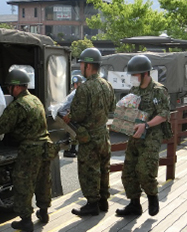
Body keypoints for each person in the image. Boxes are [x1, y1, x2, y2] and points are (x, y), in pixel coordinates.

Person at [0, 69, 55, 232]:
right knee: (43, 181)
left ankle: (26, 220)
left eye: (9, 87)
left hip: (30, 150)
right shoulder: (35, 100)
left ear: (16, 87)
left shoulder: (18, 105)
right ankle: (44, 211)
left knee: (23, 183)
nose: (7, 91)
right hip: (45, 146)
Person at [116, 55, 171, 217]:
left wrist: (146, 125)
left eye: (135, 75)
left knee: (145, 170)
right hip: (135, 136)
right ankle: (134, 204)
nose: (133, 78)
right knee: (128, 172)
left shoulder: (158, 91)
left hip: (151, 137)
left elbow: (164, 115)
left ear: (145, 74)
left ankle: (152, 197)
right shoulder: (135, 90)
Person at [63, 48, 115, 216]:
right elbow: (112, 108)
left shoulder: (84, 89)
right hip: (103, 134)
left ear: (88, 66)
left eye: (82, 65)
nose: (81, 68)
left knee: (89, 170)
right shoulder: (107, 85)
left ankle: (92, 204)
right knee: (103, 168)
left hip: (89, 137)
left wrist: (68, 117)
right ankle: (103, 201)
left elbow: (77, 115)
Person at [60, 75, 85, 158]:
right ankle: (67, 150)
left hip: (69, 115)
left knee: (74, 133)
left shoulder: (75, 92)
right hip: (65, 115)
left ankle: (73, 149)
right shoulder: (75, 93)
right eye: (77, 84)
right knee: (72, 133)